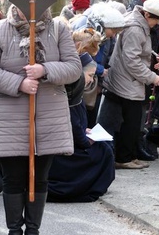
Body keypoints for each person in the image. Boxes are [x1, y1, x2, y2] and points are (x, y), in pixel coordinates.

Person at [0, 4, 81, 235]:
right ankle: (14, 234)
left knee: (39, 177)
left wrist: (45, 70)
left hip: (48, 116)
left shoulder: (58, 29)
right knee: (13, 178)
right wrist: (19, 83)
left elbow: (74, 67)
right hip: (9, 116)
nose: (27, 11)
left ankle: (33, 233)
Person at [98, 0, 159, 169]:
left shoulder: (137, 25)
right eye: (156, 19)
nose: (157, 24)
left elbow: (136, 52)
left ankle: (127, 155)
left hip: (128, 80)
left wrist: (152, 55)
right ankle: (124, 158)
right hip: (127, 82)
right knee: (131, 121)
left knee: (132, 121)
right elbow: (131, 60)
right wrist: (151, 77)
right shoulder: (136, 29)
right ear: (147, 14)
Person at [48, 50, 115, 203]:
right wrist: (88, 140)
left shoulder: (73, 93)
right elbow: (73, 129)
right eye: (90, 76)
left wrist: (84, 131)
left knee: (105, 146)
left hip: (65, 144)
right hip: (62, 151)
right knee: (104, 150)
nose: (91, 80)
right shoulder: (71, 96)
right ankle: (90, 186)